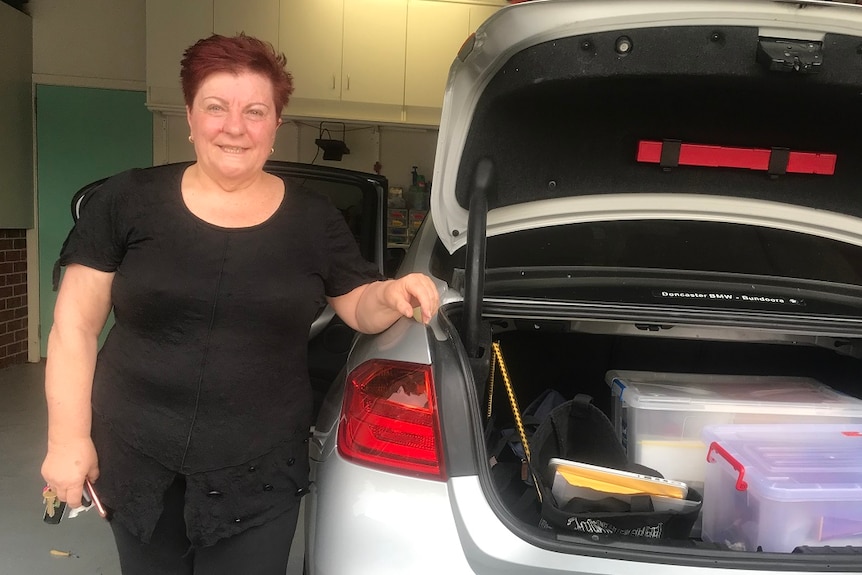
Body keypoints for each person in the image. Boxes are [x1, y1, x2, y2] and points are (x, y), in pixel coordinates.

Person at [40, 33, 439, 575]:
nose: (234, 127)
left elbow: (357, 305)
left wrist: (391, 292)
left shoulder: (314, 220)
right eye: (216, 107)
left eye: (255, 111)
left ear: (276, 125)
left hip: (260, 466)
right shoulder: (126, 200)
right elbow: (73, 329)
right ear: (190, 116)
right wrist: (67, 441)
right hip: (136, 451)